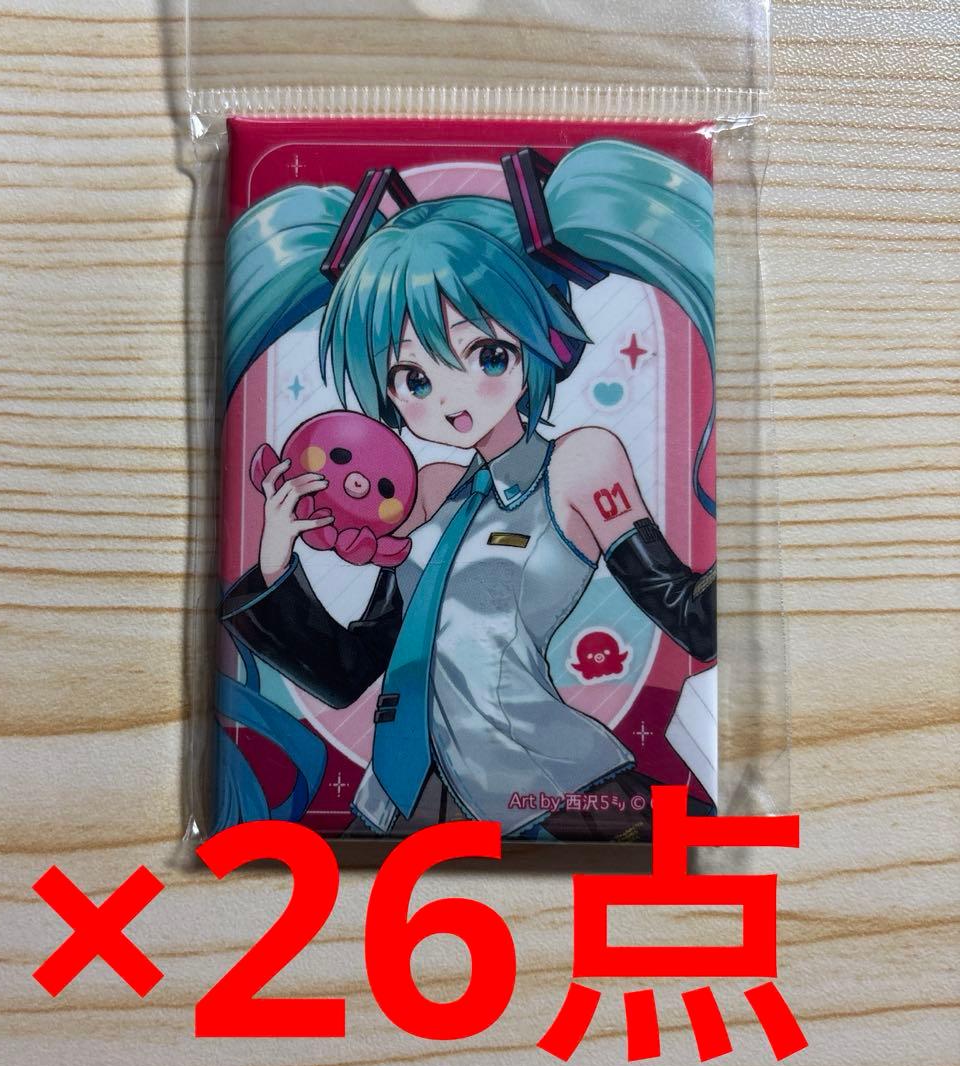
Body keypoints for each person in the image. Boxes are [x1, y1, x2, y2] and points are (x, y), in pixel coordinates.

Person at [219, 139, 716, 838]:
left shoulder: (578, 464)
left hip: (537, 786)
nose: (451, 398)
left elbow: (686, 613)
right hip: (395, 799)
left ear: (536, 343)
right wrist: (276, 557)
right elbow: (348, 669)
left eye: (486, 354)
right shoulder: (434, 489)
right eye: (413, 378)